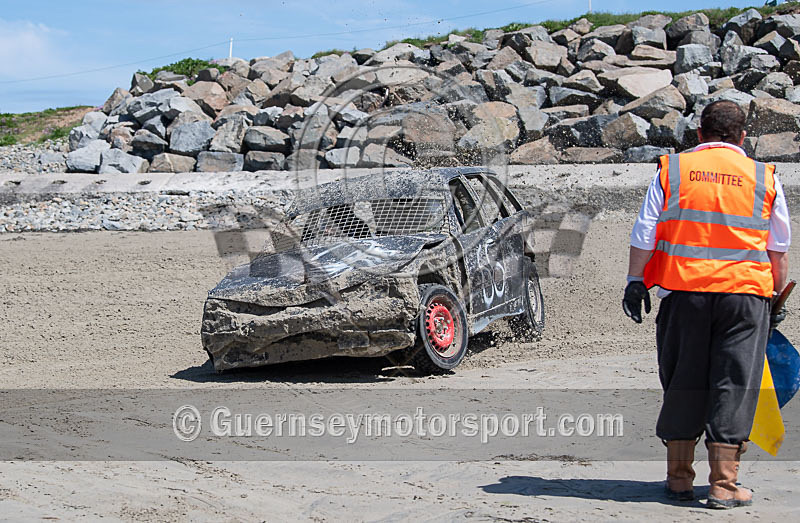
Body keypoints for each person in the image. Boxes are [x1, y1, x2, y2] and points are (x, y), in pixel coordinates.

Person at [621, 100, 791, 509]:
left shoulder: (673, 169)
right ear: (743, 137)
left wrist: (635, 282)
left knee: (683, 380)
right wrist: (775, 298)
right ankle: (724, 486)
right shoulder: (763, 176)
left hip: (684, 294)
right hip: (745, 297)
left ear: (699, 133)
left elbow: (644, 231)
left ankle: (679, 480)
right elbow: (778, 248)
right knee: (734, 383)